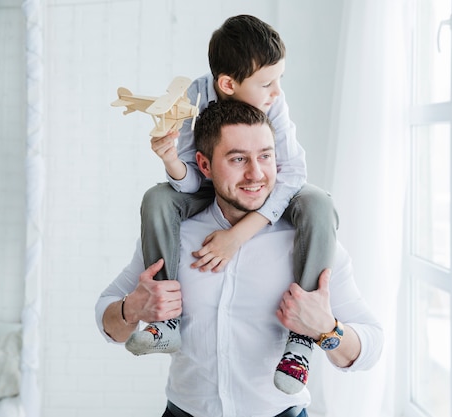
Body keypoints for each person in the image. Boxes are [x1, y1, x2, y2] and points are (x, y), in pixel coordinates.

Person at [95, 100, 383, 417]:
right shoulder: (177, 235)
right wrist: (131, 309)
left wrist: (327, 330)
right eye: (237, 159)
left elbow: (371, 346)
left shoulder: (308, 241)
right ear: (204, 166)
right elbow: (107, 315)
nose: (255, 173)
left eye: (265, 156)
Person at [128, 15, 339, 394]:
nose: (276, 91)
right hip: (213, 184)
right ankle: (167, 322)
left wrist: (239, 234)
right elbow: (196, 175)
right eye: (267, 83)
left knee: (317, 203)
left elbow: (292, 174)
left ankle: (300, 341)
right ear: (228, 84)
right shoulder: (195, 96)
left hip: (268, 194)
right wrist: (171, 160)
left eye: (278, 80)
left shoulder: (273, 103)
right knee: (158, 198)